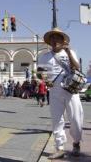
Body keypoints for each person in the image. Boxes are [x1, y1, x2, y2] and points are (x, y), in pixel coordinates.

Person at [38, 27, 83, 159]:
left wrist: (68, 52)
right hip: (55, 91)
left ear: (63, 40)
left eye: (57, 38)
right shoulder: (45, 57)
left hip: (71, 90)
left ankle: (76, 142)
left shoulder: (70, 52)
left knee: (75, 118)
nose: (54, 40)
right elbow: (40, 73)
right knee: (57, 120)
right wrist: (46, 82)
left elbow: (77, 67)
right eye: (52, 38)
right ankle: (60, 147)